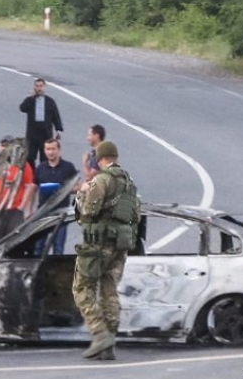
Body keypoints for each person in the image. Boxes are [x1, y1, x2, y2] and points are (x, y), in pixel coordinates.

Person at [73, 141, 141, 361]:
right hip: (120, 246)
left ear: (100, 159)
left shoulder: (101, 180)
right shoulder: (129, 183)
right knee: (109, 292)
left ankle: (99, 333)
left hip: (98, 244)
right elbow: (136, 216)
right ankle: (109, 342)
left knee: (82, 287)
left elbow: (87, 213)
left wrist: (82, 194)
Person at [33, 139, 78, 256]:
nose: (50, 152)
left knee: (58, 248)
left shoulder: (68, 167)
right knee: (38, 247)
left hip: (61, 213)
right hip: (43, 213)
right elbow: (32, 188)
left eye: (53, 149)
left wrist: (62, 189)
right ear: (44, 150)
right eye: (48, 149)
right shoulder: (40, 168)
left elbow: (77, 187)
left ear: (59, 150)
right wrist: (29, 210)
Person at [0, 137, 36, 238]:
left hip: (13, 210)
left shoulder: (23, 165)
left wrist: (22, 207)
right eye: (2, 146)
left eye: (7, 146)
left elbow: (29, 186)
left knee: (13, 239)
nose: (4, 149)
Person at [19, 78, 63, 167]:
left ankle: (43, 175)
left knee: (45, 157)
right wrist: (30, 97)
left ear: (44, 87)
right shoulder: (30, 100)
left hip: (45, 134)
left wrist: (58, 129)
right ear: (34, 87)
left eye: (41, 86)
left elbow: (55, 116)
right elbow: (22, 108)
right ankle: (32, 175)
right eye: (37, 86)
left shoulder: (50, 101)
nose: (39, 88)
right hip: (32, 134)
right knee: (30, 156)